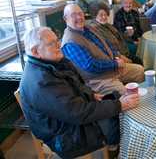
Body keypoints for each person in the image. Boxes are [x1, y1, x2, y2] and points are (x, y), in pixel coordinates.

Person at [19, 27, 140, 159]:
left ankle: (118, 146)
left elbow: (77, 84)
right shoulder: (41, 82)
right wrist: (119, 105)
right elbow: (77, 113)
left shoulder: (52, 63)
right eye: (51, 43)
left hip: (71, 117)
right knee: (120, 117)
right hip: (65, 135)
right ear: (35, 51)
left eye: (57, 40)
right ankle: (119, 151)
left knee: (116, 99)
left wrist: (92, 94)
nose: (59, 45)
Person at [62, 4, 144, 95]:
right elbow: (90, 65)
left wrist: (117, 56)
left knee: (140, 71)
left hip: (113, 69)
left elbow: (107, 44)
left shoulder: (88, 28)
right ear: (65, 19)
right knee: (125, 94)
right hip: (98, 79)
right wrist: (115, 64)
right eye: (73, 15)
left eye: (80, 14)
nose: (79, 17)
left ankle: (144, 100)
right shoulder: (70, 41)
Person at [88, 0, 143, 65]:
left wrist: (127, 34)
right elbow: (108, 50)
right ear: (94, 15)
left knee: (140, 52)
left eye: (105, 14)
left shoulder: (107, 25)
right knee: (139, 60)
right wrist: (126, 59)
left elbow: (119, 36)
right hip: (119, 58)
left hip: (124, 50)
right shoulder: (95, 30)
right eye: (101, 15)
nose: (104, 17)